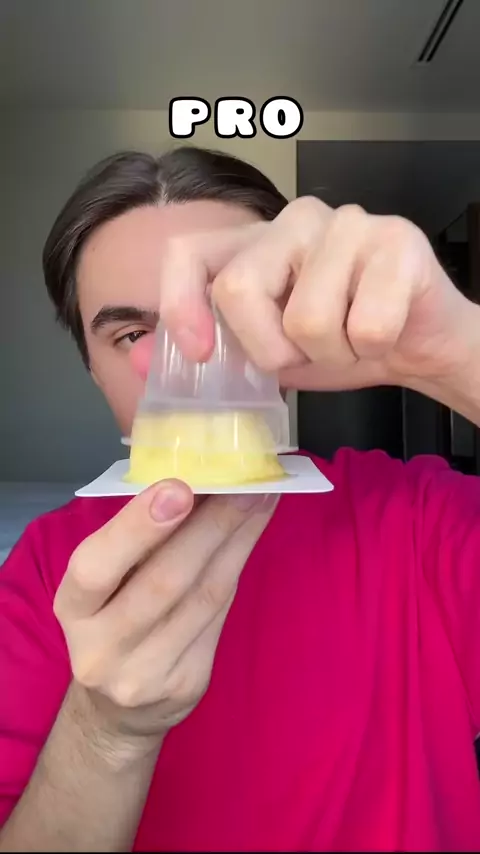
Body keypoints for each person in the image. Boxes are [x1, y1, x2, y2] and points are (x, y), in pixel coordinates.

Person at [1, 145, 480, 853]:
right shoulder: (44, 571)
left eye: (222, 315)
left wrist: (461, 353)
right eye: (132, 334)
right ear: (94, 370)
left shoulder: (416, 518)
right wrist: (104, 734)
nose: (188, 362)